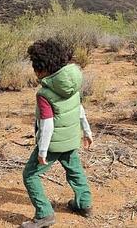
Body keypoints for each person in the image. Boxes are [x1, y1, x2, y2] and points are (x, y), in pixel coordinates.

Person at [21, 38, 93, 228]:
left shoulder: (44, 94)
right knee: (75, 172)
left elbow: (47, 125)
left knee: (30, 175)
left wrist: (43, 151)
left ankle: (44, 214)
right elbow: (79, 109)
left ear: (42, 69)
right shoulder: (72, 86)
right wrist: (86, 131)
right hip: (71, 140)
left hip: (53, 144)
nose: (35, 72)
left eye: (35, 67)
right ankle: (83, 204)